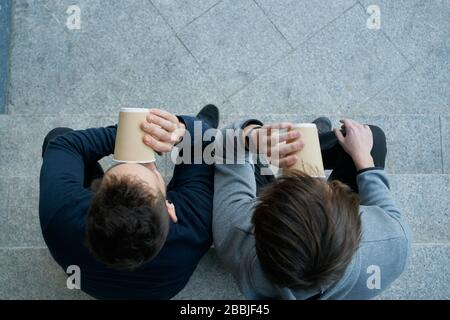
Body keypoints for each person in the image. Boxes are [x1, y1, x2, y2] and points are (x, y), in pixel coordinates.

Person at [213, 117, 412, 299]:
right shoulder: (392, 242)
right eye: (332, 190)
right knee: (372, 138)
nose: (320, 181)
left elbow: (224, 148)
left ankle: (303, 146)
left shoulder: (235, 231)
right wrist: (363, 159)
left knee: (247, 158)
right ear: (355, 222)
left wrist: (250, 137)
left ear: (256, 218)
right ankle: (310, 144)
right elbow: (384, 204)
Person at [39, 105, 219, 299]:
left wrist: (127, 134)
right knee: (199, 147)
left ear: (92, 197)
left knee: (58, 134)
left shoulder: (59, 213)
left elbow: (62, 143)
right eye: (152, 171)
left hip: (98, 286)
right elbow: (207, 141)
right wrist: (185, 130)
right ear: (170, 210)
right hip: (160, 292)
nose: (146, 160)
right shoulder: (198, 225)